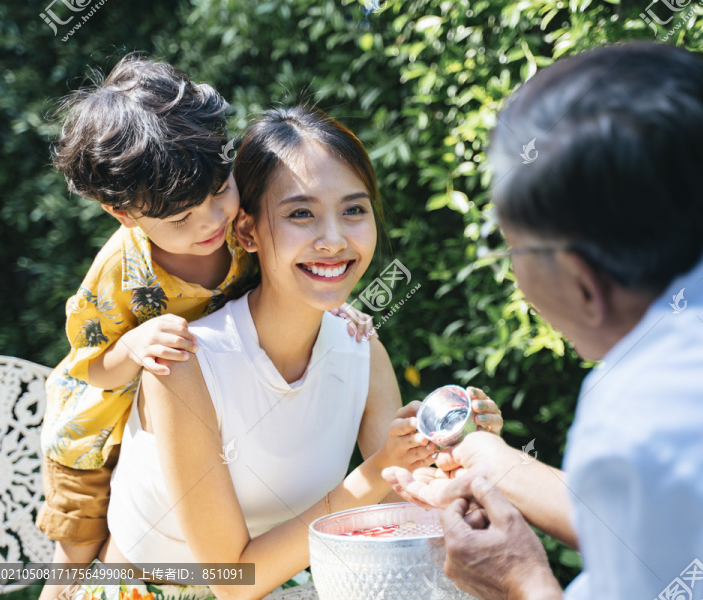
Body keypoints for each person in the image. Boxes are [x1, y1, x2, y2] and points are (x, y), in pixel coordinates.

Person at [384, 42, 703, 600]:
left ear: (580, 279)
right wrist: (494, 466)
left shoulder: (637, 408)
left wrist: (516, 582)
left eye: (512, 250)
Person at [84, 106, 504, 600]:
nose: (333, 240)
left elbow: (402, 510)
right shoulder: (179, 363)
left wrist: (459, 455)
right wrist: (372, 472)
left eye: (354, 210)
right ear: (246, 232)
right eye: (301, 213)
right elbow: (234, 581)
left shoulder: (361, 352)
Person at [36, 56, 373, 600]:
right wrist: (132, 346)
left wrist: (331, 306)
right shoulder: (120, 273)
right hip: (97, 414)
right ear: (123, 214)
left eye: (219, 191)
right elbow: (90, 367)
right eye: (179, 220)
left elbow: (295, 276)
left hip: (198, 386)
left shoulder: (240, 226)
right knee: (80, 532)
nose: (210, 222)